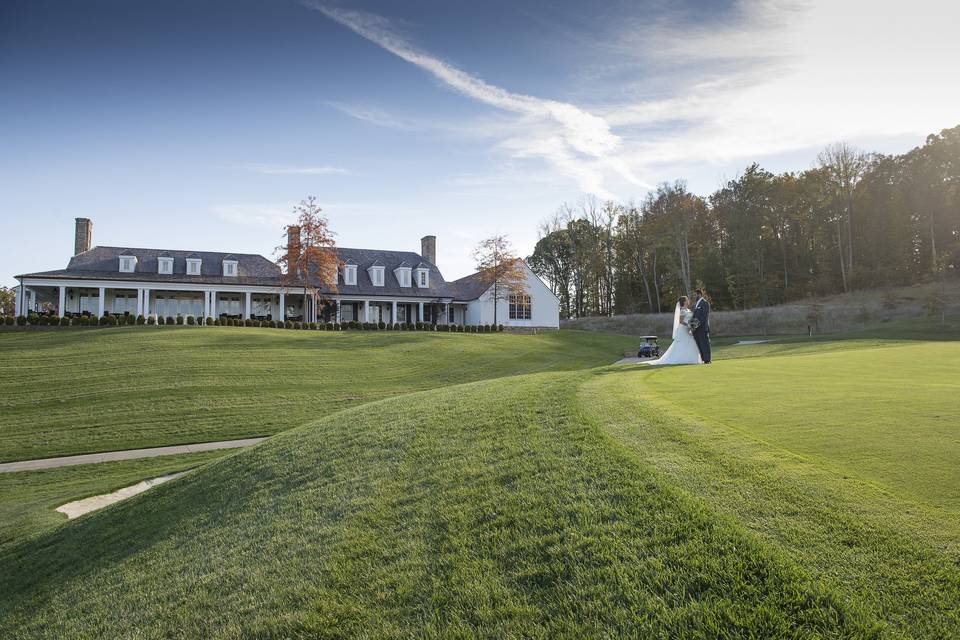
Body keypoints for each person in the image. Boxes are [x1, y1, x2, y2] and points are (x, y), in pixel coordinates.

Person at [647, 296, 702, 366]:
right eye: (687, 300)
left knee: (690, 343)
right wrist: (688, 325)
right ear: (684, 302)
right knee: (683, 344)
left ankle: (689, 359)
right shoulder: (682, 310)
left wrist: (692, 326)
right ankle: (681, 359)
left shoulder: (688, 310)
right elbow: (681, 321)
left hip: (687, 330)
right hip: (683, 330)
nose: (688, 301)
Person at [692, 288, 711, 364]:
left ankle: (707, 359)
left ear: (699, 294)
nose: (694, 297)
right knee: (699, 344)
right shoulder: (696, 304)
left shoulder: (705, 303)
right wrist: (692, 327)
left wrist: (695, 325)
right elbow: (694, 317)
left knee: (705, 344)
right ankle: (703, 359)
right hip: (696, 329)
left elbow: (704, 317)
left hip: (702, 328)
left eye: (695, 295)